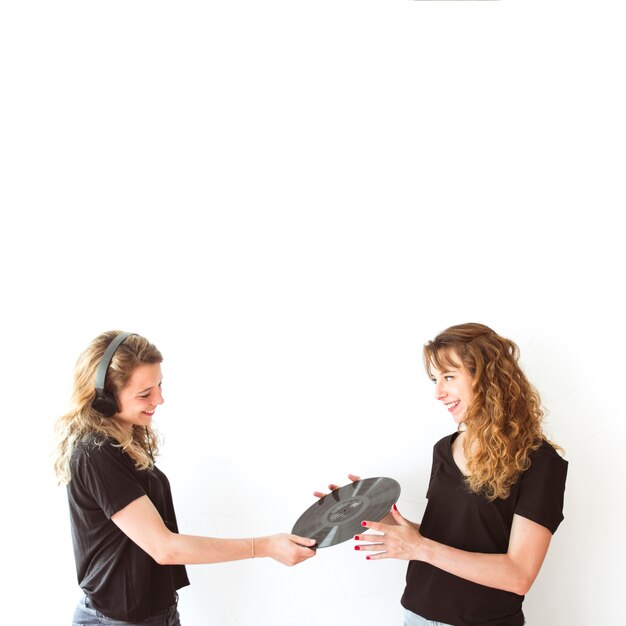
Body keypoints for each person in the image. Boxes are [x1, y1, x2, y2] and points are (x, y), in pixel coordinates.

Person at [53, 331, 316, 626]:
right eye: (145, 394)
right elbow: (164, 548)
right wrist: (263, 546)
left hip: (156, 615)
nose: (159, 399)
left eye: (159, 385)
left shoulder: (125, 442)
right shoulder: (96, 453)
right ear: (104, 398)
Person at [317, 323, 568, 626]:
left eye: (449, 377)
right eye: (436, 379)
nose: (438, 392)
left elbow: (518, 575)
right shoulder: (443, 450)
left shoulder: (539, 462)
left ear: (489, 378)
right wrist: (378, 514)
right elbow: (450, 536)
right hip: (417, 615)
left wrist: (419, 547)